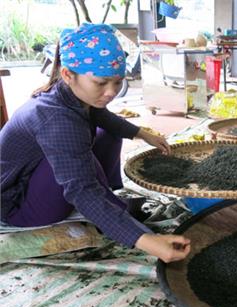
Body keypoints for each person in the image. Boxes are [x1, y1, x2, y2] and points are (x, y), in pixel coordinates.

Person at [0, 23, 190, 263]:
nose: (111, 92)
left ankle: (108, 196)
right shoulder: (57, 118)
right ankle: (108, 207)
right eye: (101, 83)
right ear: (69, 74)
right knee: (81, 160)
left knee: (108, 133)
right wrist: (146, 240)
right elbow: (81, 189)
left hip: (32, 181)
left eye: (118, 82)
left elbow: (102, 116)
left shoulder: (69, 93)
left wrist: (142, 133)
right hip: (16, 206)